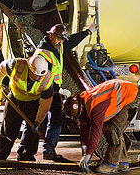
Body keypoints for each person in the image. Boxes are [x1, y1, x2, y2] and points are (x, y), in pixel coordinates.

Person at [36, 23, 97, 160]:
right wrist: (60, 90)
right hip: (45, 91)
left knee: (56, 121)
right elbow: (43, 77)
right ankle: (29, 151)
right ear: (51, 36)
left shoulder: (59, 46)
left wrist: (87, 32)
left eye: (63, 39)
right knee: (36, 121)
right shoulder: (44, 53)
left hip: (55, 91)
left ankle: (49, 151)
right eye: (58, 38)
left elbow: (73, 40)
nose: (61, 42)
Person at [68, 79, 140, 174]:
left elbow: (96, 131)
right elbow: (84, 125)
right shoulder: (83, 98)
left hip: (133, 95)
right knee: (113, 129)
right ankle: (123, 162)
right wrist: (84, 145)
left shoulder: (96, 105)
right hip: (126, 91)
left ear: (81, 108)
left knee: (113, 129)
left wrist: (88, 153)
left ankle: (111, 164)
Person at [0, 54, 54, 161]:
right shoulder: (16, 65)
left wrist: (38, 121)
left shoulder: (47, 80)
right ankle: (0, 155)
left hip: (33, 102)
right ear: (30, 69)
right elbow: (2, 67)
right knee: (8, 128)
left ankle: (27, 154)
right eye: (36, 75)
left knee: (32, 131)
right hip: (14, 99)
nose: (39, 78)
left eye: (41, 76)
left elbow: (45, 104)